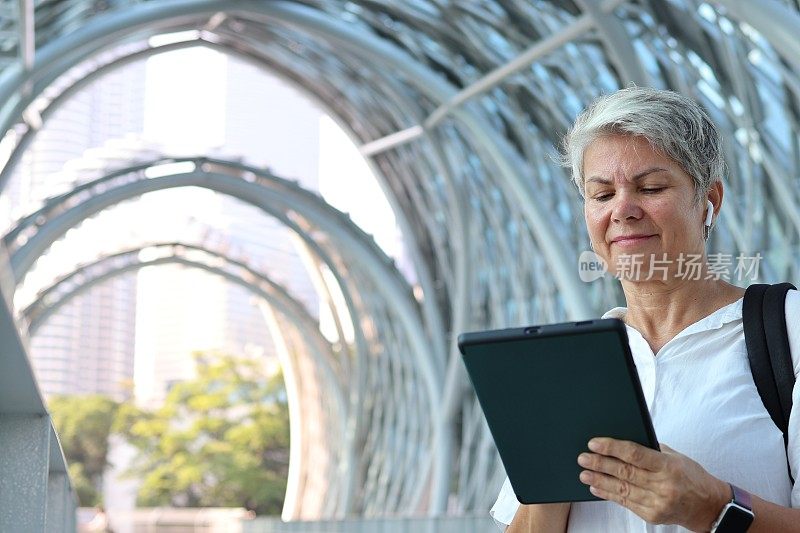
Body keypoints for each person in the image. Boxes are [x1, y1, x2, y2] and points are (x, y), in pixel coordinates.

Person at [491, 87, 800, 532]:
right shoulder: (570, 365)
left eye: (650, 187)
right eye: (601, 195)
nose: (622, 210)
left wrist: (714, 507)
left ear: (709, 202)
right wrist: (548, 476)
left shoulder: (786, 332)